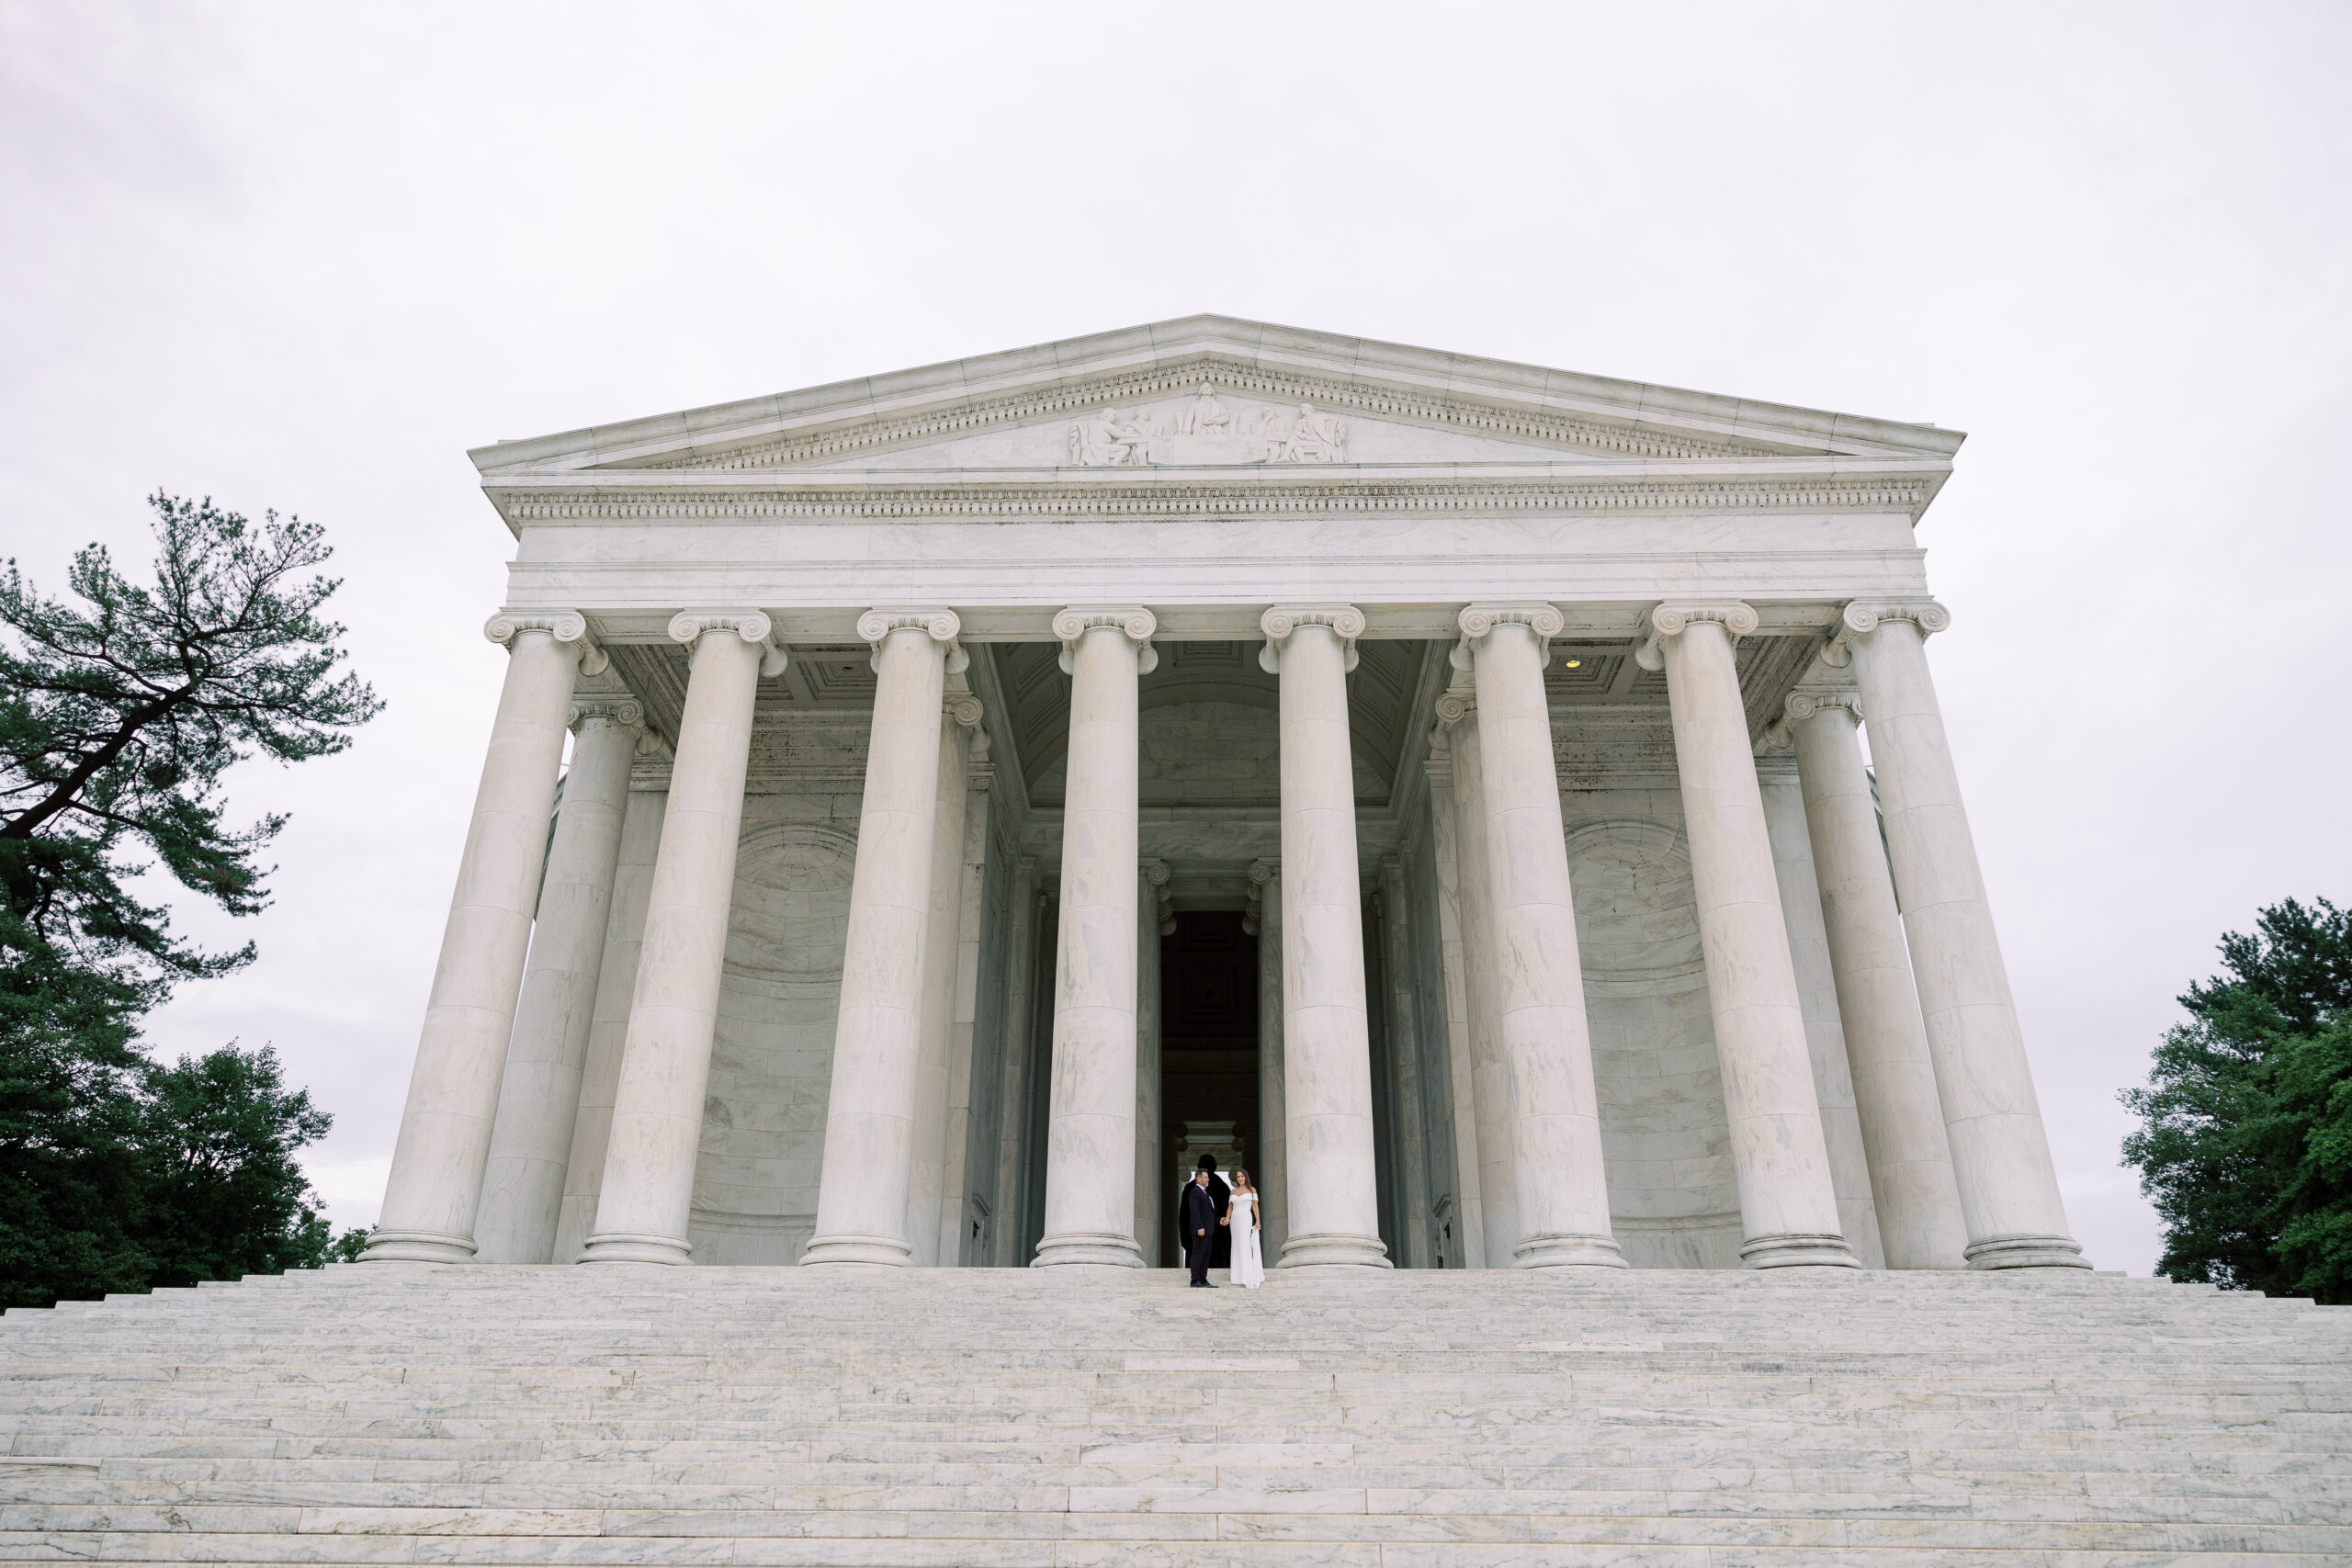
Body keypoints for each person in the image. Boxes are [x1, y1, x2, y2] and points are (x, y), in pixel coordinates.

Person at [1182, 1166, 1220, 1287]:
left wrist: (1220, 1220)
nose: (1208, 1179)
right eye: (1206, 1177)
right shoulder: (1195, 1192)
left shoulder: (1206, 1193)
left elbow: (1210, 1213)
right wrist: (1199, 1227)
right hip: (1200, 1230)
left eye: (1208, 1177)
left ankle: (1203, 1279)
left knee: (1205, 1256)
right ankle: (1195, 1280)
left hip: (1208, 1231)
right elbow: (1195, 1212)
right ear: (1198, 1179)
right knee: (1198, 1255)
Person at [1227, 1168, 1264, 1289]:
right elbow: (1230, 1207)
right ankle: (1237, 1276)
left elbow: (1255, 1206)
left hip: (1246, 1217)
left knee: (1245, 1244)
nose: (1240, 1179)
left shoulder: (1252, 1190)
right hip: (1234, 1220)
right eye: (1238, 1177)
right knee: (1236, 1244)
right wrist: (1227, 1218)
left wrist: (1258, 1221)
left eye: (1242, 1176)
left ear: (1245, 1177)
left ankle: (1247, 1275)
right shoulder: (1232, 1192)